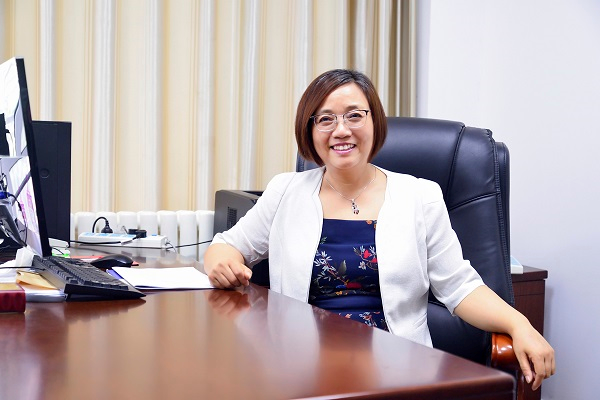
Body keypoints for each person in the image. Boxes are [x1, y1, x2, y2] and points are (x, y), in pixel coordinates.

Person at [203, 69, 555, 390]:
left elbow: (460, 286)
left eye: (354, 115)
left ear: (375, 122)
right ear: (309, 131)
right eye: (325, 119)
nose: (341, 130)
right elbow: (227, 245)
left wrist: (518, 324)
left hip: (397, 371)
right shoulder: (285, 192)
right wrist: (221, 260)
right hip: (300, 369)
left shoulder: (420, 196)